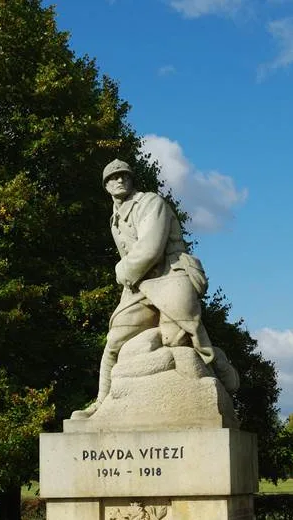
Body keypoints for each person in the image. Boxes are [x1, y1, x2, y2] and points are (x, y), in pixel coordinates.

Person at [72, 159, 238, 419]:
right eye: (113, 177)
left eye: (124, 175)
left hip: (170, 274)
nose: (120, 180)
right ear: (106, 186)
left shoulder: (151, 203)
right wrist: (129, 281)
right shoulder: (115, 220)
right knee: (114, 342)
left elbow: (151, 249)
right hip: (140, 285)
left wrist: (121, 272)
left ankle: (215, 359)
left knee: (179, 338)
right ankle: (101, 402)